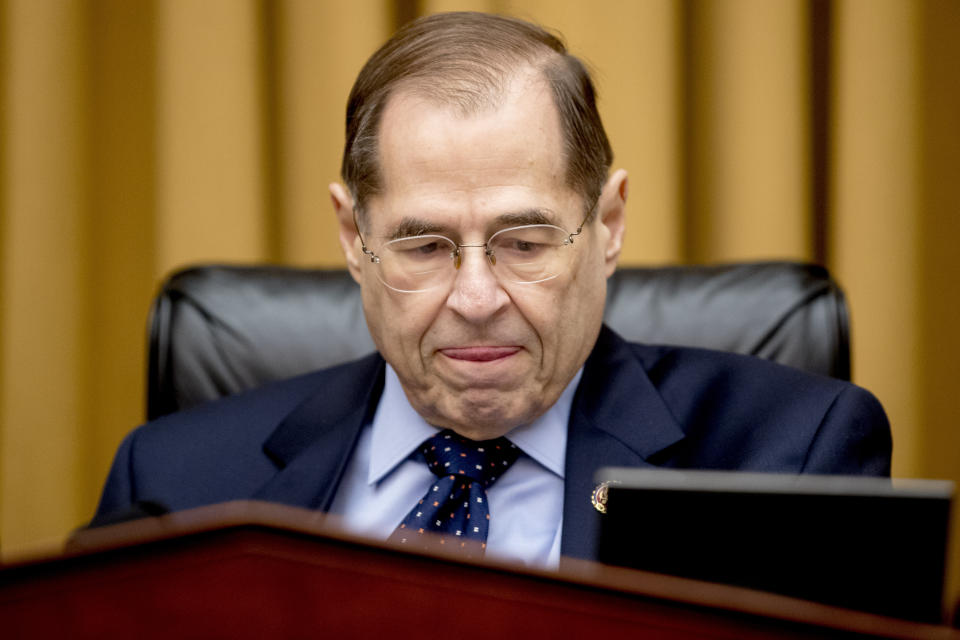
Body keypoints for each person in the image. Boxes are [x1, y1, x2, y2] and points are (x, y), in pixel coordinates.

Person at [92, 12, 891, 569]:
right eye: (423, 244)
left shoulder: (791, 459)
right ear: (353, 239)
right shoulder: (173, 487)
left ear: (608, 224)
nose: (477, 297)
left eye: (525, 242)